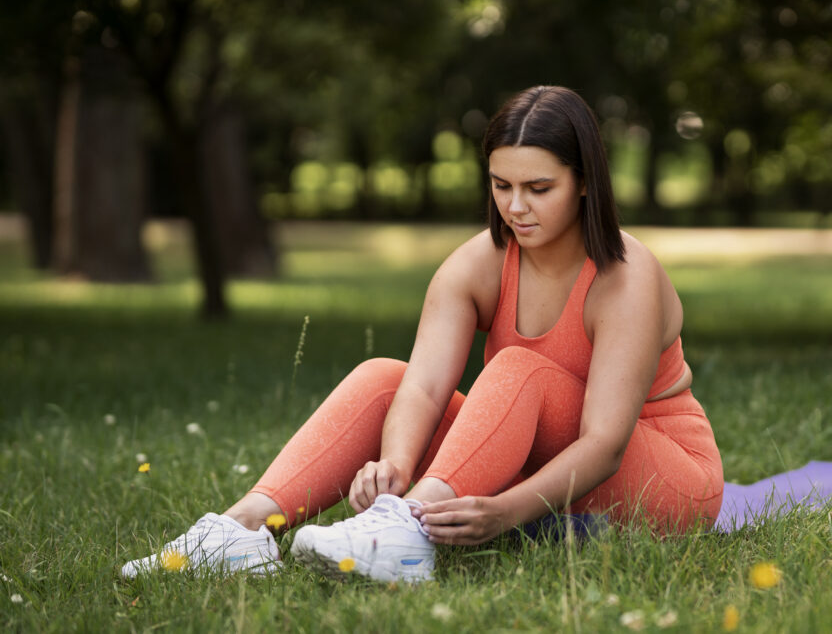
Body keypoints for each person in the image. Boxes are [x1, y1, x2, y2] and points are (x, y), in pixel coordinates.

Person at [120, 85, 724, 583]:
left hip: (663, 478)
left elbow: (605, 443)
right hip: (541, 457)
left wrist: (504, 513)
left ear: (586, 181)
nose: (516, 207)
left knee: (516, 369)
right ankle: (246, 529)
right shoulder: (478, 264)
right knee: (386, 377)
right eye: (501, 185)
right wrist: (393, 467)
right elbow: (425, 389)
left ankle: (408, 528)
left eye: (540, 188)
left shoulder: (625, 275)